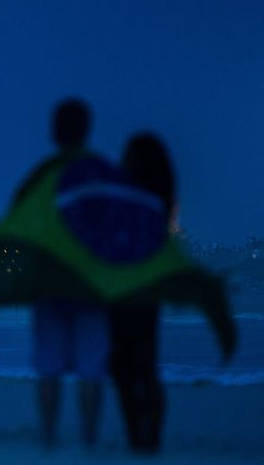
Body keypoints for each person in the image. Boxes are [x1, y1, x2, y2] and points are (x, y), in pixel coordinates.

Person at [21, 98, 108, 448]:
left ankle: (48, 439)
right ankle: (88, 441)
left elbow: (23, 230)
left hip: (50, 285)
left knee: (49, 368)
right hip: (89, 284)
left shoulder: (42, 176)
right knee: (91, 370)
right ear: (88, 130)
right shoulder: (102, 173)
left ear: (53, 132)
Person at [108, 133, 174, 453]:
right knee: (144, 363)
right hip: (147, 293)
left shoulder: (131, 201)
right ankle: (148, 437)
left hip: (123, 293)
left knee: (124, 366)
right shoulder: (159, 203)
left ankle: (138, 433)